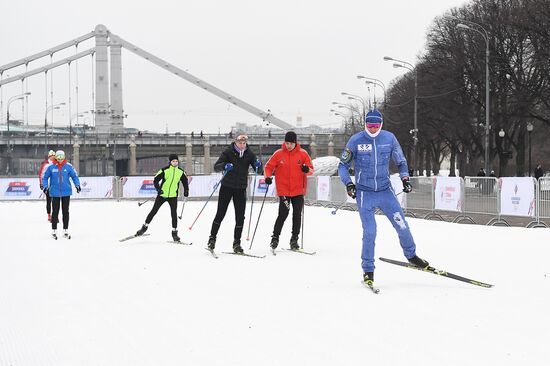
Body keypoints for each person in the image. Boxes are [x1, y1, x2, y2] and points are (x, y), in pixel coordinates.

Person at [338, 109, 428, 286]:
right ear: (365, 124)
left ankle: (411, 255)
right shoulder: (356, 140)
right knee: (370, 231)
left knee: (402, 225)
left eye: (376, 125)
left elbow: (401, 161)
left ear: (381, 124)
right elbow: (342, 165)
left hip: (386, 192)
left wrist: (405, 179)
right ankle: (368, 270)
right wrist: (349, 183)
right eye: (369, 125)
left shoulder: (389, 138)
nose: (372, 129)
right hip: (365, 193)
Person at [207, 133, 262, 253]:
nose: (242, 145)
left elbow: (259, 170)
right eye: (240, 143)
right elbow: (216, 167)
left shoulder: (249, 154)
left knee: (240, 217)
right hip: (227, 187)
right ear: (235, 142)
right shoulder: (228, 152)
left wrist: (259, 165)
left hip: (241, 189)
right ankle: (212, 239)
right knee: (220, 213)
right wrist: (225, 165)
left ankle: (237, 243)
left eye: (244, 143)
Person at [264, 131, 314, 250]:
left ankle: (294, 239)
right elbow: (268, 167)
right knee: (283, 213)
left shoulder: (303, 154)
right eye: (287, 143)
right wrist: (267, 177)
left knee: (297, 214)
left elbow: (311, 170)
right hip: (284, 191)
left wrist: (306, 169)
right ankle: (275, 238)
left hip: (298, 191)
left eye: (291, 143)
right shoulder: (278, 154)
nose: (289, 145)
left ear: (295, 142)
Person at [135, 154, 189, 242]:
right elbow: (155, 180)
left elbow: (185, 182)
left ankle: (174, 233)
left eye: (176, 161)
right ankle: (144, 227)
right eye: (173, 161)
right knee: (154, 211)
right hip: (162, 195)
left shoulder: (181, 172)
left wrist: (186, 191)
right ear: (170, 162)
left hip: (173, 196)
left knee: (174, 214)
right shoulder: (164, 170)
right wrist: (158, 189)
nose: (175, 163)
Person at [41, 150, 81, 239]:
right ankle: (54, 231)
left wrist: (77, 185)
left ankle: (65, 230)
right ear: (55, 158)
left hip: (66, 192)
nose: (59, 160)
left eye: (61, 158)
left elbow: (74, 176)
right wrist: (45, 187)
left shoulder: (68, 166)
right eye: (58, 158)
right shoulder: (50, 167)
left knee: (65, 212)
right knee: (55, 212)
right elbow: (45, 177)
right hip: (54, 193)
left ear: (64, 158)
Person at [38, 150, 56, 222]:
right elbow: (41, 174)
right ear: (49, 157)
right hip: (47, 185)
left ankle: (55, 214)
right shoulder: (45, 164)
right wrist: (41, 184)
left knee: (55, 201)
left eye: (54, 156)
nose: (52, 158)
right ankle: (49, 215)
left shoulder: (56, 164)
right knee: (49, 201)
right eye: (51, 156)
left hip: (55, 185)